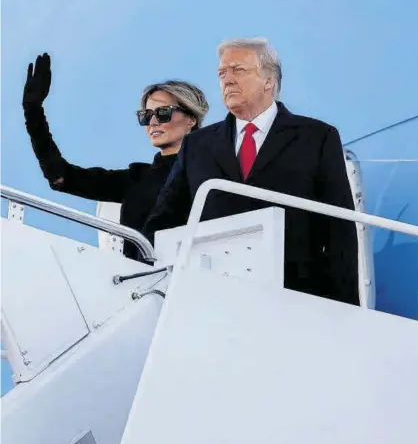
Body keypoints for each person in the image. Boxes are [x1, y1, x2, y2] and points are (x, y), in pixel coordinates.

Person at [144, 38, 359, 305]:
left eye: (239, 70)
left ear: (269, 80)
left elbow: (340, 230)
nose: (228, 80)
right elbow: (162, 222)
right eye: (222, 73)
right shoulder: (197, 145)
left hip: (298, 299)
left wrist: (347, 312)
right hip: (214, 300)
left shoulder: (317, 137)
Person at [22, 52, 209, 259]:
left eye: (163, 113)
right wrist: (33, 111)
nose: (153, 122)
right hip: (139, 283)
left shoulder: (212, 170)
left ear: (191, 118)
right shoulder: (137, 177)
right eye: (146, 116)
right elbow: (61, 176)